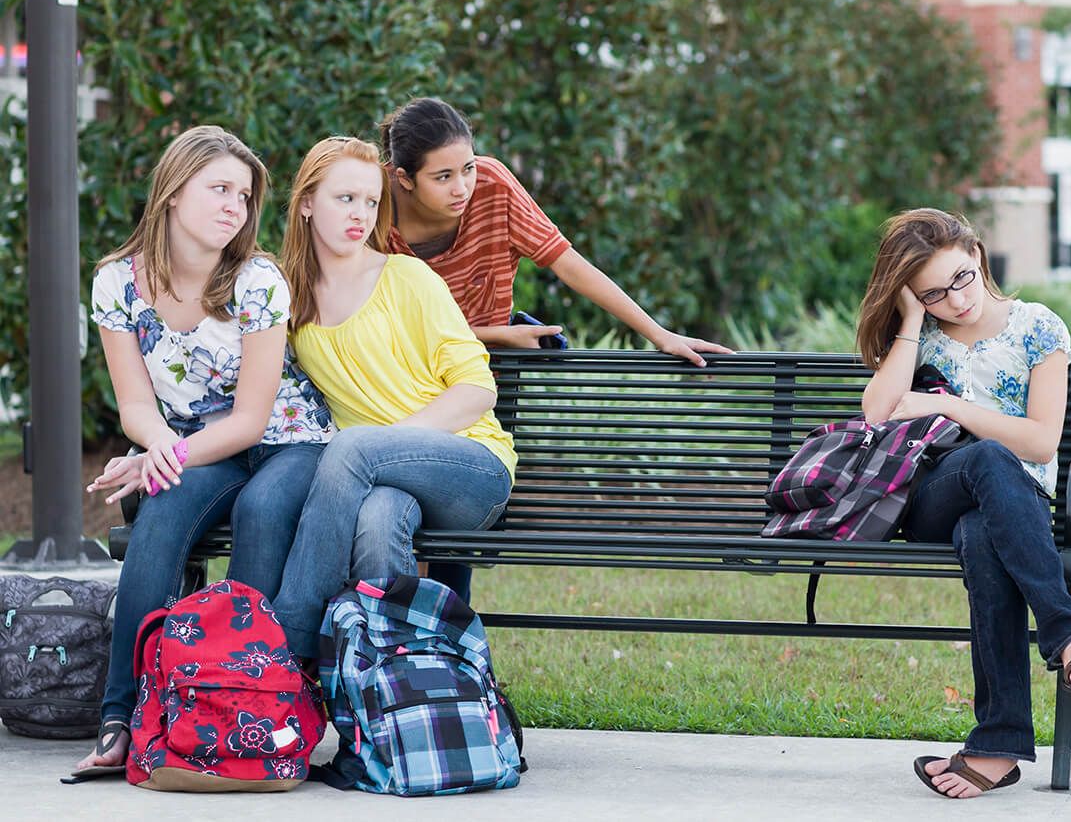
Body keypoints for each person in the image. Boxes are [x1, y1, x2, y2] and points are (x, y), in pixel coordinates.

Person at [76, 126, 335, 777]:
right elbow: (135, 404)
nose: (235, 207)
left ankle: (238, 704)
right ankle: (123, 719)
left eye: (244, 196)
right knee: (157, 518)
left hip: (290, 443)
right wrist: (159, 449)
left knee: (264, 509)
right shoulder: (117, 283)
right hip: (199, 446)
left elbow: (252, 419)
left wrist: (161, 455)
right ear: (171, 192)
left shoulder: (256, 280)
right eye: (219, 188)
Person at [856, 208, 1071, 800]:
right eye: (932, 292)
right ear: (913, 296)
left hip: (1011, 508)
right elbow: (876, 414)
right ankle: (1068, 632)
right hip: (929, 501)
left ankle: (998, 745)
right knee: (984, 459)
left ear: (977, 256)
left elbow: (1038, 441)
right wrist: (907, 320)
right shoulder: (919, 334)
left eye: (961, 278)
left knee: (986, 529)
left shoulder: (1037, 328)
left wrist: (948, 407)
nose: (955, 299)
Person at [271, 136, 516, 659]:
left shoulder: (406, 277)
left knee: (352, 447)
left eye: (371, 201)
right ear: (307, 203)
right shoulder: (287, 299)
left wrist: (386, 444)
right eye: (345, 199)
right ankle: (387, 690)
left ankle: (284, 652)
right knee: (380, 520)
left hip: (472, 468)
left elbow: (477, 389)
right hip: (380, 482)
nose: (361, 214)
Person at [379, 97, 732, 366]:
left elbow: (568, 265)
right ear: (404, 178)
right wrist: (497, 335)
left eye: (467, 168)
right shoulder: (372, 204)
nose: (462, 188)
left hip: (481, 378)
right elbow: (375, 327)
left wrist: (658, 334)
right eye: (443, 177)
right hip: (398, 376)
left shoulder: (491, 186)